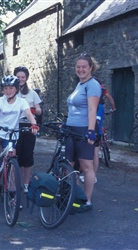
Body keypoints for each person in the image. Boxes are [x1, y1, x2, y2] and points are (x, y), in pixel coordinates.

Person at [65, 53, 101, 213]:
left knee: (86, 166)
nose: (80, 69)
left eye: (83, 67)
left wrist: (91, 131)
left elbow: (93, 109)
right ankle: (75, 197)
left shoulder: (92, 85)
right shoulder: (79, 84)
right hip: (71, 129)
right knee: (69, 165)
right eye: (78, 67)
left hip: (84, 129)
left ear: (90, 68)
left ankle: (87, 200)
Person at [79, 77, 116, 184]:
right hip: (92, 131)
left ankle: (93, 176)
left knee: (95, 154)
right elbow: (110, 99)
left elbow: (97, 122)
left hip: (95, 133)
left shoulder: (98, 105)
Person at [13, 66, 42, 193]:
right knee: (16, 154)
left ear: (26, 78)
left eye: (23, 77)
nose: (20, 79)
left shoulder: (32, 93)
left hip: (30, 126)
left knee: (28, 154)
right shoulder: (11, 92)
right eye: (18, 77)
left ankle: (26, 183)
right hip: (15, 125)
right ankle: (16, 181)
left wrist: (33, 110)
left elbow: (39, 111)